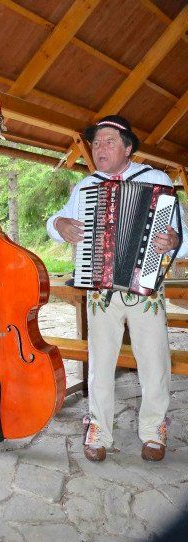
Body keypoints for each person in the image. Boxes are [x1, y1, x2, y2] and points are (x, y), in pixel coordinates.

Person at [47, 115, 188, 463]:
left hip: (145, 289)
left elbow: (184, 237)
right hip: (99, 290)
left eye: (109, 141)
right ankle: (98, 428)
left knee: (153, 359)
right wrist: (60, 224)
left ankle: (154, 430)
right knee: (100, 360)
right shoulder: (86, 185)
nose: (100, 147)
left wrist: (173, 241)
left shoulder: (155, 179)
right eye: (96, 142)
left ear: (128, 148)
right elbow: (57, 221)